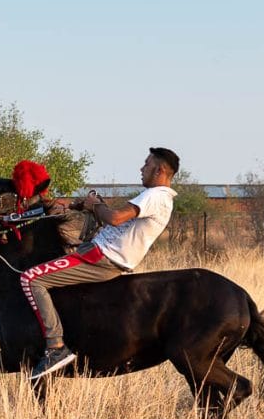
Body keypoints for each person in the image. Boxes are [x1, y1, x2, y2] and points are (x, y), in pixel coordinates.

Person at [24, 147, 180, 380]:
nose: (142, 168)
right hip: (100, 253)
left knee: (30, 278)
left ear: (159, 169)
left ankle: (55, 347)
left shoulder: (155, 195)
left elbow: (115, 218)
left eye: (146, 164)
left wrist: (94, 204)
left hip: (102, 258)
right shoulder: (158, 198)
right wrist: (89, 206)